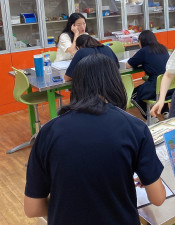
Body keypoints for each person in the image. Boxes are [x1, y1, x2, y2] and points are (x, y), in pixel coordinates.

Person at [24, 54, 166, 225]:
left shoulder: (48, 132)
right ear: (115, 82)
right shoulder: (135, 128)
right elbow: (158, 198)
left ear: (76, 85)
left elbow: (32, 208)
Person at [126, 30, 171, 119]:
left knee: (134, 96)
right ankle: (165, 111)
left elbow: (128, 65)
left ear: (141, 41)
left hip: (154, 87)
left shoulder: (144, 51)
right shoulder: (162, 48)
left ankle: (151, 118)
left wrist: (136, 56)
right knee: (159, 80)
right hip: (169, 87)